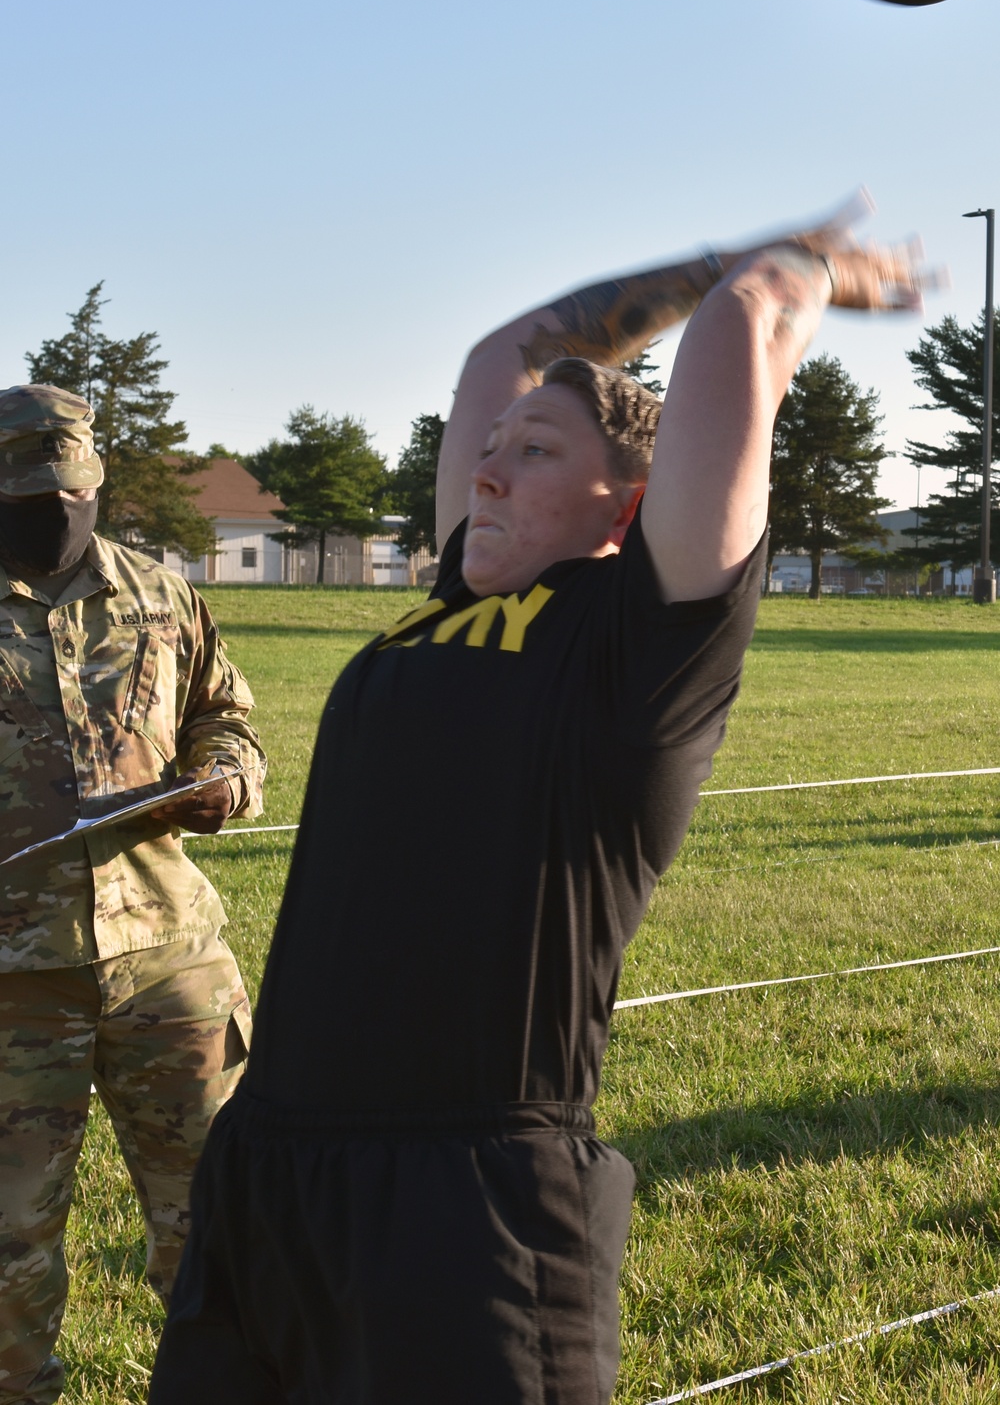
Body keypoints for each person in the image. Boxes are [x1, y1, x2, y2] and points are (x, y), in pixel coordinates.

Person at [149, 203, 927, 1405]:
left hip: (468, 1198)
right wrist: (706, 262)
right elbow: (499, 356)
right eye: (493, 448)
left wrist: (801, 267)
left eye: (538, 453)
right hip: (269, 1167)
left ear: (629, 509)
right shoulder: (457, 593)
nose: (489, 465)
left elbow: (744, 325)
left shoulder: (642, 642)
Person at [0, 385, 267, 1405]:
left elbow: (223, 716)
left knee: (228, 1230)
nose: (53, 512)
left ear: (95, 481)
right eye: (27, 495)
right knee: (8, 1253)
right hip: (14, 986)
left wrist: (223, 779)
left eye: (70, 492)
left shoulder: (161, 594)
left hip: (171, 962)